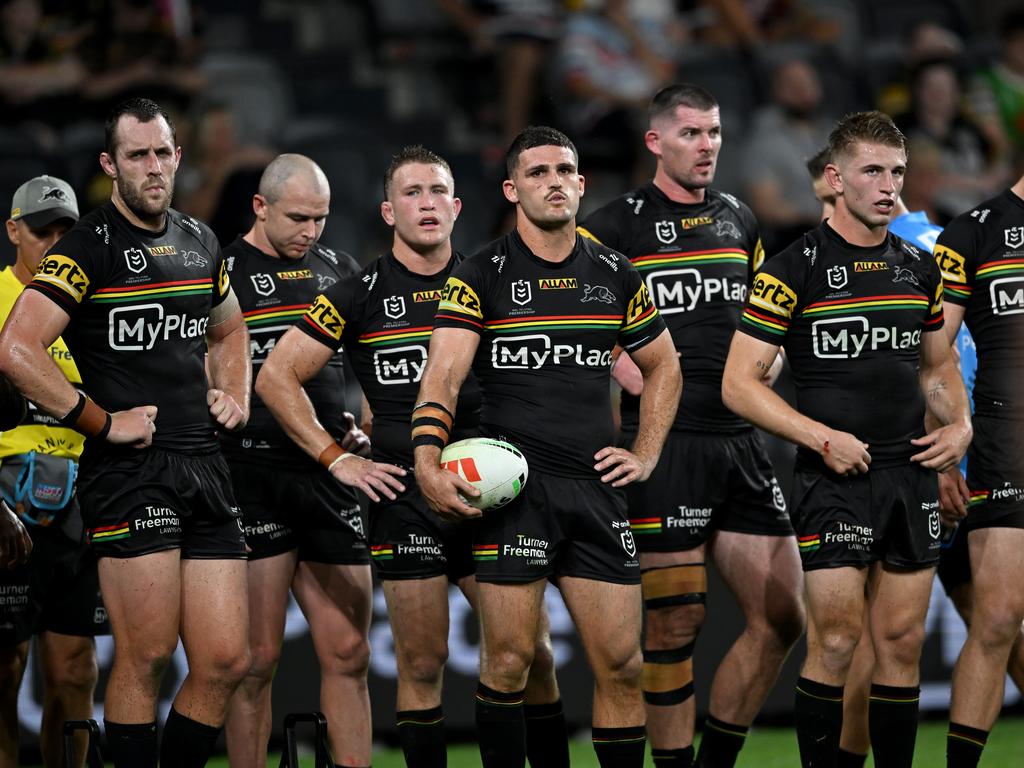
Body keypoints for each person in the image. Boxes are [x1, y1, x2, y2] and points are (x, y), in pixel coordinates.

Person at [257, 144, 569, 768]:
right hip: (406, 500)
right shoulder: (358, 291)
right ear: (387, 210)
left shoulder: (498, 278)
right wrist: (336, 458)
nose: (426, 205)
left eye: (437, 193)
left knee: (529, 653)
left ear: (457, 207)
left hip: (495, 498)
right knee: (421, 664)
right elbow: (275, 377)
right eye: (411, 194)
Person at [412, 126, 681, 768]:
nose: (554, 181)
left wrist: (645, 450)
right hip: (515, 498)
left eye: (565, 170)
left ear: (582, 184)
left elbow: (665, 367)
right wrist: (426, 461)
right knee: (509, 661)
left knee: (621, 665)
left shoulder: (616, 272)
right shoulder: (478, 274)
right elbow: (443, 375)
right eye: (537, 173)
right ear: (512, 189)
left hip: (595, 491)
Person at [0, 97, 253, 768]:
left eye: (161, 152)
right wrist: (102, 422)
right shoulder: (85, 248)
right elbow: (18, 349)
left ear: (178, 156)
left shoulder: (201, 240)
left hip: (204, 462)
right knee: (145, 655)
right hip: (130, 472)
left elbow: (229, 329)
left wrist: (234, 391)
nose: (152, 166)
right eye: (136, 154)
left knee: (227, 660)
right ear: (111, 164)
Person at [722, 111, 972, 768]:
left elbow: (938, 364)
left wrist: (960, 426)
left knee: (901, 640)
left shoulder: (922, 268)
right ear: (835, 178)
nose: (888, 186)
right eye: (872, 171)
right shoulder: (790, 269)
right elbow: (740, 385)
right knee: (834, 641)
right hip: (831, 478)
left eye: (896, 172)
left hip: (909, 472)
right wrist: (821, 436)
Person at [577, 83, 803, 768]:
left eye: (713, 133)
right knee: (677, 621)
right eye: (690, 135)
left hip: (740, 443)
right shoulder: (612, 226)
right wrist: (634, 375)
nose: (705, 146)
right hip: (663, 445)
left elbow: (769, 314)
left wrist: (773, 358)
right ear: (655, 142)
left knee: (784, 616)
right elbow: (581, 324)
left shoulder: (739, 218)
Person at [220, 154, 378, 767]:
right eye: (298, 218)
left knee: (350, 652)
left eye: (321, 219)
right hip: (252, 476)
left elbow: (369, 366)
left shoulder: (339, 269)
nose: (310, 232)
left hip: (330, 473)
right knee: (255, 660)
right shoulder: (221, 271)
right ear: (260, 207)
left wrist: (365, 428)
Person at [0, 176, 108, 768]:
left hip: (78, 499)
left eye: (67, 231)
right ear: (13, 230)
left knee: (74, 670)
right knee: (3, 668)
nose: (56, 242)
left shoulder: (93, 310)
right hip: (4, 501)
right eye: (43, 231)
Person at [934, 174, 1024, 767]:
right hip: (1006, 442)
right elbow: (933, 350)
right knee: (996, 620)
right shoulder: (972, 233)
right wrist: (944, 440)